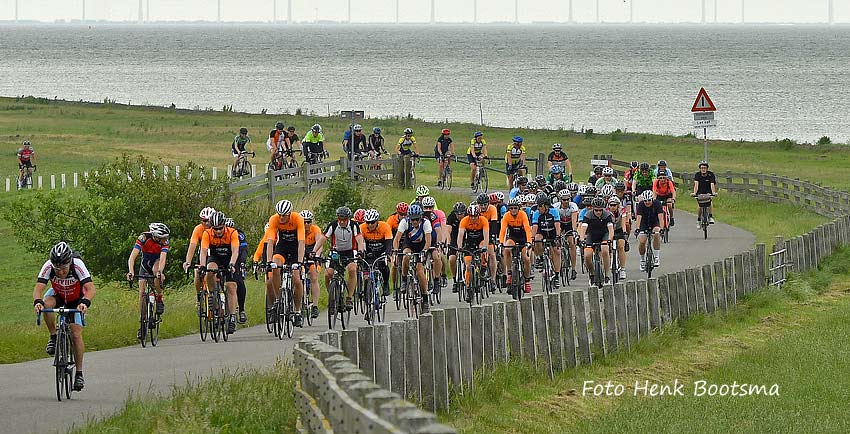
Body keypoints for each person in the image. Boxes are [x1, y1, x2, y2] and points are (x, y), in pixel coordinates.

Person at [34, 242, 97, 392]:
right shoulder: (48, 266)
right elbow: (38, 289)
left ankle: (79, 373)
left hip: (76, 299)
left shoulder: (77, 265)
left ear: (69, 263)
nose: (61, 272)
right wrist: (37, 302)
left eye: (64, 268)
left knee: (75, 334)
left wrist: (84, 303)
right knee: (46, 305)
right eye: (57, 269)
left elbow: (90, 289)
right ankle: (53, 337)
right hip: (58, 295)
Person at [263, 200, 306, 327]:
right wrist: (269, 261)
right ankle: (278, 300)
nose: (281, 217)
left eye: (284, 215)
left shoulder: (297, 218)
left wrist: (299, 262)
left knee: (297, 280)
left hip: (295, 249)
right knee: (275, 266)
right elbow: (270, 241)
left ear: (290, 213)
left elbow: (302, 242)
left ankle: (297, 311)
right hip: (282, 247)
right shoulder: (274, 219)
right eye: (279, 214)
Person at [313, 207, 365, 311]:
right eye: (340, 219)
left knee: (352, 269)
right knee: (328, 274)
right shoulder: (333, 225)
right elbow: (322, 239)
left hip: (350, 251)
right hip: (336, 252)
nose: (341, 222)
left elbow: (359, 240)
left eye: (344, 220)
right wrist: (314, 252)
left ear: (348, 219)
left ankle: (349, 298)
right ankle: (332, 296)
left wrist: (360, 252)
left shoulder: (354, 225)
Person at [126, 223, 170, 340]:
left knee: (157, 273)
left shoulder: (165, 243)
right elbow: (132, 257)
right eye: (163, 238)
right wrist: (131, 271)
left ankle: (159, 298)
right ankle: (142, 323)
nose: (166, 240)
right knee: (141, 292)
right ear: (156, 236)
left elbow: (163, 258)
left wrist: (160, 271)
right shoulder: (144, 238)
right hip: (145, 264)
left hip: (156, 262)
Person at [199, 212, 241, 334]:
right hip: (216, 258)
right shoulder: (207, 233)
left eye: (220, 229)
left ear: (224, 226)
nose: (217, 231)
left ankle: (232, 317)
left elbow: (235, 251)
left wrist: (232, 264)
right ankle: (212, 295)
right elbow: (203, 251)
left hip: (230, 258)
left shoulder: (232, 232)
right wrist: (202, 265)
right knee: (210, 269)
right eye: (215, 229)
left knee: (231, 287)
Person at [392, 204, 432, 312]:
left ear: (420, 217)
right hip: (409, 244)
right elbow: (396, 240)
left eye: (416, 219)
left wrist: (424, 252)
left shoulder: (426, 223)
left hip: (421, 246)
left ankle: (425, 298)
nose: (414, 222)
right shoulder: (404, 222)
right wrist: (395, 251)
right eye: (412, 219)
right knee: (406, 257)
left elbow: (428, 242)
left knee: (420, 271)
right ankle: (404, 279)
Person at [456, 204, 490, 303]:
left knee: (483, 248)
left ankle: (483, 266)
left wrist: (485, 248)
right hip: (469, 243)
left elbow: (486, 235)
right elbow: (460, 235)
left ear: (479, 215)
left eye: (475, 216)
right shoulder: (464, 221)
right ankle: (468, 287)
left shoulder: (483, 220)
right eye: (471, 216)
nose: (473, 218)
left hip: (481, 241)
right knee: (468, 265)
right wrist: (459, 247)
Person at [578, 197, 615, 286]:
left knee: (605, 249)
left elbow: (610, 229)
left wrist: (610, 239)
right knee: (587, 255)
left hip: (603, 235)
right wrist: (582, 239)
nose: (598, 212)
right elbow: (583, 228)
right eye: (596, 210)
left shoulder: (607, 215)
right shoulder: (588, 215)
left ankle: (607, 276)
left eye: (600, 210)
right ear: (593, 209)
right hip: (592, 235)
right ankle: (592, 274)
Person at [500, 197, 533, 295]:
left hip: (523, 239)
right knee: (506, 249)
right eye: (511, 208)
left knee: (526, 259)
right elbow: (503, 230)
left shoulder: (523, 215)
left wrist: (529, 242)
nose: (513, 210)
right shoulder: (506, 216)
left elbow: (527, 229)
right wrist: (501, 242)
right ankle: (509, 273)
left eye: (515, 208)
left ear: (519, 208)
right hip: (513, 237)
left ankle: (527, 280)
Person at [183, 207, 216, 301]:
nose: (207, 223)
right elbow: (192, 245)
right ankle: (199, 298)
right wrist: (188, 262)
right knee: (197, 273)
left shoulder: (217, 228)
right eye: (204, 221)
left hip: (215, 253)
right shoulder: (198, 229)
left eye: (209, 220)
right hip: (203, 253)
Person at [360, 209, 393, 301]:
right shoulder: (362, 228)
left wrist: (387, 254)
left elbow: (389, 243)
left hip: (381, 251)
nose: (370, 225)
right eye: (368, 222)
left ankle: (385, 284)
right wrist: (360, 253)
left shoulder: (385, 226)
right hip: (369, 252)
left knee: (383, 266)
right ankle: (367, 292)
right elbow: (359, 243)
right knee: (366, 272)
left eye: (372, 222)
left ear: (377, 221)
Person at [532, 193, 562, 287]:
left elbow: (557, 225)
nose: (538, 208)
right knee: (537, 238)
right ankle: (541, 258)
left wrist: (557, 236)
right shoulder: (537, 214)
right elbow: (535, 226)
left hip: (552, 233)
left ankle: (556, 275)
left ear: (546, 206)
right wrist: (532, 237)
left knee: (557, 252)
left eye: (540, 206)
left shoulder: (554, 212)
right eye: (537, 206)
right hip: (542, 233)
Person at [224, 217, 249, 324]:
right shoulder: (219, 234)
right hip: (224, 257)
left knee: (238, 281)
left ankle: (242, 309)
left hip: (236, 258)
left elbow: (243, 250)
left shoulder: (239, 234)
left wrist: (242, 262)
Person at [634, 190, 665, 271]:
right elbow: (638, 218)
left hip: (654, 222)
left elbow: (661, 218)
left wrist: (662, 229)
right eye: (645, 201)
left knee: (656, 233)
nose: (647, 202)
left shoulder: (657, 204)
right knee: (642, 241)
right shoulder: (641, 205)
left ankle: (657, 256)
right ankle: (642, 260)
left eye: (649, 200)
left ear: (652, 199)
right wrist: (637, 229)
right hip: (644, 223)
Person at [300, 210, 323, 320]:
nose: (306, 225)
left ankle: (315, 306)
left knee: (314, 276)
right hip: (301, 251)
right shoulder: (298, 230)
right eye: (304, 222)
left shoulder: (316, 229)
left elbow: (320, 243)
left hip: (313, 251)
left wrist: (316, 256)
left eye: (308, 222)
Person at [555, 188, 579, 280]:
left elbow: (573, 221)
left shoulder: (573, 206)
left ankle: (573, 269)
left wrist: (574, 231)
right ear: (560, 199)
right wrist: (558, 234)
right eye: (563, 199)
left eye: (567, 199)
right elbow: (556, 222)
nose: (566, 201)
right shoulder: (556, 207)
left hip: (569, 224)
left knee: (572, 243)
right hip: (560, 223)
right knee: (557, 242)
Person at [446, 202, 467, 293]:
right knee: (451, 259)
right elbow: (448, 231)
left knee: (468, 259)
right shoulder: (451, 217)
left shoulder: (468, 216)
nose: (459, 216)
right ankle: (455, 279)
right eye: (457, 214)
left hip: (466, 238)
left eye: (461, 213)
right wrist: (448, 243)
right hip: (454, 238)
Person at [608, 196, 629, 280]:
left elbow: (624, 223)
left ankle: (623, 269)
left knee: (621, 246)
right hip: (610, 229)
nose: (612, 207)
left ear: (617, 205)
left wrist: (624, 232)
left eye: (614, 205)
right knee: (607, 245)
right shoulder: (606, 211)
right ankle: (610, 261)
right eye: (611, 205)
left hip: (619, 229)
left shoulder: (622, 210)